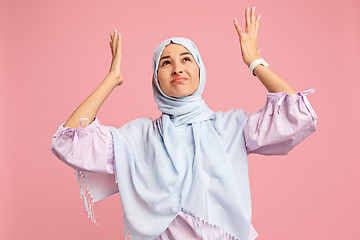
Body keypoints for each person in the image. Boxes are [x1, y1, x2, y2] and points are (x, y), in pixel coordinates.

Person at [50, 7, 318, 240]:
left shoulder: (230, 126)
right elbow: (69, 140)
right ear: (156, 79)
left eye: (186, 59)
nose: (177, 68)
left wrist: (254, 62)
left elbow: (296, 116)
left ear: (200, 70)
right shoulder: (140, 136)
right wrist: (112, 79)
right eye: (166, 63)